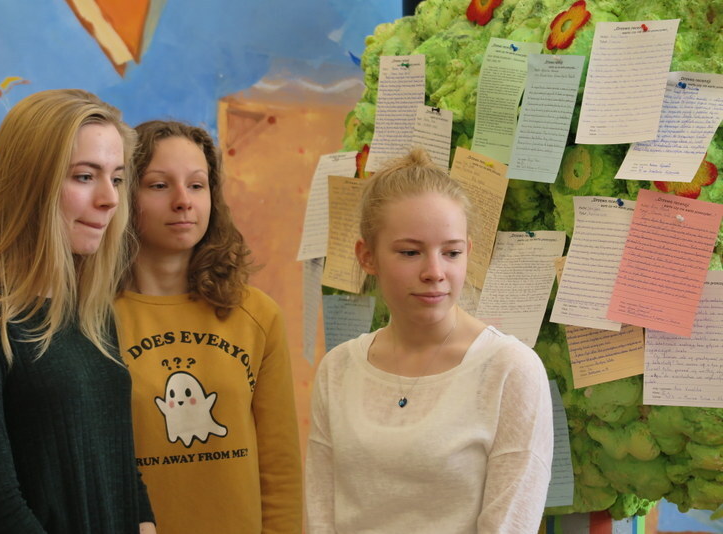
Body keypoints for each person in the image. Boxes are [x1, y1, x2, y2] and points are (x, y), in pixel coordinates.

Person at [0, 89, 156, 534]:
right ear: (30, 184)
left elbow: (119, 466)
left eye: (117, 178)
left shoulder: (92, 312)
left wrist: (146, 524)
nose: (110, 198)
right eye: (85, 176)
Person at [305, 147, 553, 533]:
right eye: (410, 252)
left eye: (451, 252)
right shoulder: (338, 368)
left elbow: (510, 525)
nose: (434, 271)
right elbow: (319, 515)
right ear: (367, 256)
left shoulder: (510, 370)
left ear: (468, 252)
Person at [114, 120, 302, 533]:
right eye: (159, 185)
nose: (183, 201)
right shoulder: (92, 319)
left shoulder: (257, 314)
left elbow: (280, 466)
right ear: (124, 195)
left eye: (197, 185)